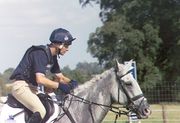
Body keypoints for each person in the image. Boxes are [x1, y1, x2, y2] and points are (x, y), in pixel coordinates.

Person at [9, 28, 78, 123]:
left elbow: (60, 77)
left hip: (33, 89)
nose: (68, 49)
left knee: (53, 105)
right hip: (21, 87)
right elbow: (40, 79)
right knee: (41, 111)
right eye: (66, 45)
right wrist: (59, 86)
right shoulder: (40, 53)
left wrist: (72, 83)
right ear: (59, 44)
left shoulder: (52, 57)